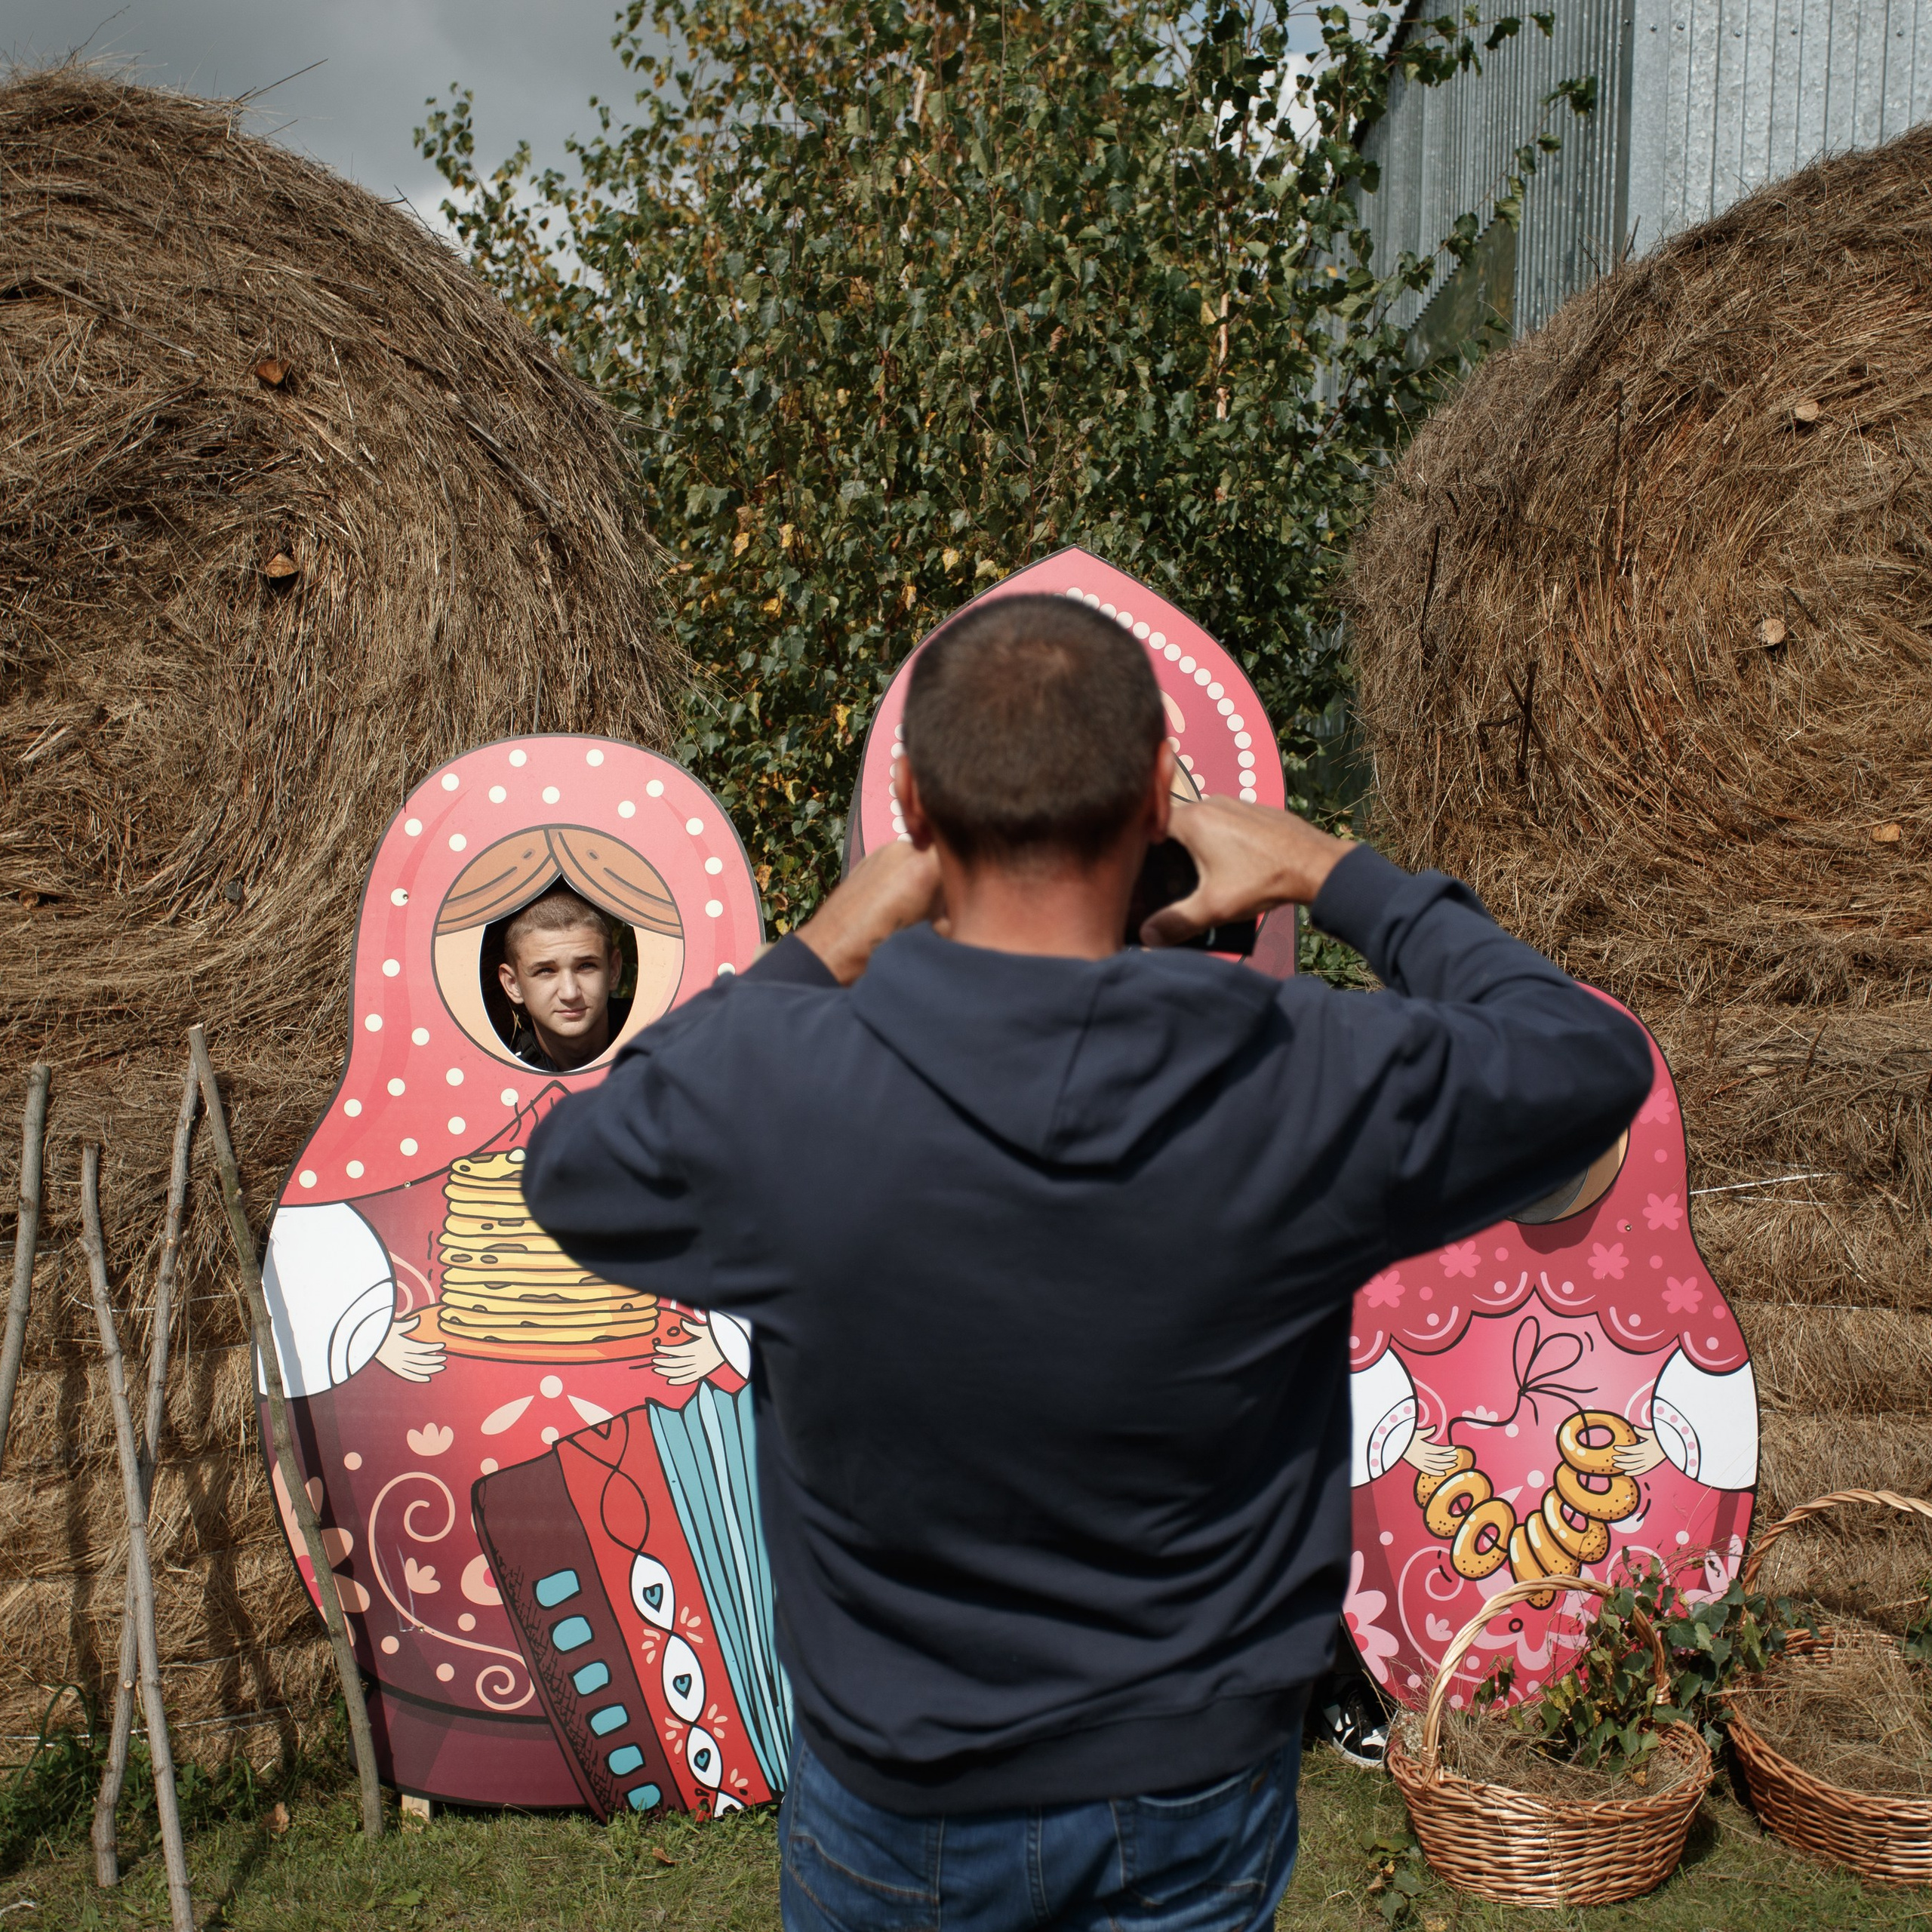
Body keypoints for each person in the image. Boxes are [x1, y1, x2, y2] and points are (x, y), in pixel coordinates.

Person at [521, 594, 1651, 1930]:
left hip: (901, 1789)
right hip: (1195, 1784)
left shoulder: (788, 1086)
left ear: (911, 807)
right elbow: (1588, 1059)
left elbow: (575, 1167)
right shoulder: (1301, 1073)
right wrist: (1337, 872)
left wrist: (825, 941)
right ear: (1162, 796)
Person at [495, 884, 626, 1072]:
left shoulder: (663, 1045)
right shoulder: (500, 1075)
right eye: (545, 971)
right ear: (513, 984)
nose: (570, 993)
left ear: (613, 970)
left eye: (586, 966)